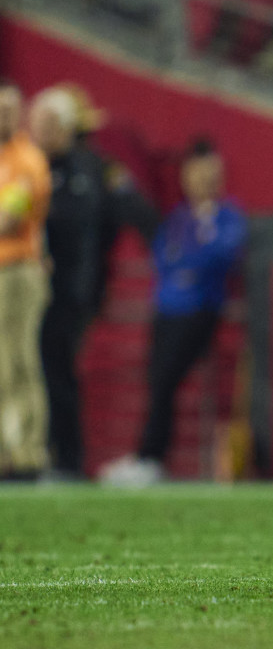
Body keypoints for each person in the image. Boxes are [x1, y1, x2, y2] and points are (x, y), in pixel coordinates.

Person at [100, 139, 246, 486]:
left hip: (199, 311)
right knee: (158, 382)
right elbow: (166, 258)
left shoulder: (227, 216)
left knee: (165, 379)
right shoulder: (179, 217)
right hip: (166, 308)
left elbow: (221, 256)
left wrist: (190, 265)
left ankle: (150, 457)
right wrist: (188, 265)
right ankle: (149, 457)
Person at [27, 85, 111, 480]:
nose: (42, 131)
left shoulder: (83, 169)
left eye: (50, 124)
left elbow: (85, 225)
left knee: (58, 371)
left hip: (67, 291)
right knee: (31, 372)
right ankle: (33, 450)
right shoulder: (28, 165)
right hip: (31, 288)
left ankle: (68, 458)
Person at [0, 80, 52, 481]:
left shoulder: (27, 160)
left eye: (9, 109)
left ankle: (28, 451)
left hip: (17, 272)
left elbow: (9, 220)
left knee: (19, 360)